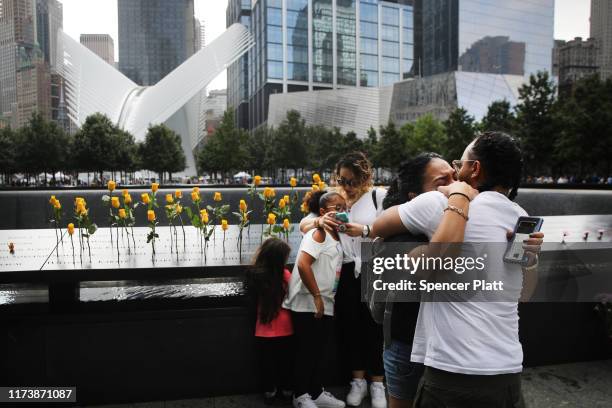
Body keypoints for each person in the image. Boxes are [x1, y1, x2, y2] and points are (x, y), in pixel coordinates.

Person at [371, 131, 544, 408]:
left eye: (460, 164)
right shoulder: (520, 216)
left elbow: (378, 227)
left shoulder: (441, 204)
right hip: (508, 371)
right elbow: (525, 295)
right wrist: (531, 261)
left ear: (475, 169)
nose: (456, 173)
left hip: (452, 371)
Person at [300, 152, 388, 408]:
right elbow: (304, 223)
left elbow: (393, 227)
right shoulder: (334, 198)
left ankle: (378, 384)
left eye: (352, 181)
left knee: (376, 327)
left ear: (365, 178)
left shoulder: (377, 197)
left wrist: (364, 231)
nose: (347, 186)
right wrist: (320, 219)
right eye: (342, 180)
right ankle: (358, 381)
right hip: (347, 270)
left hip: (375, 268)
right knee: (351, 327)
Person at [380, 153, 455, 408]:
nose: (454, 186)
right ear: (414, 200)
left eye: (456, 177)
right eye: (441, 182)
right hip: (408, 344)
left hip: (448, 346)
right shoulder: (399, 239)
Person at [284, 192, 347, 408]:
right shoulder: (318, 233)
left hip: (326, 301)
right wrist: (317, 296)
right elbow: (302, 264)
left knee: (319, 349)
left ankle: (315, 391)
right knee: (307, 350)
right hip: (308, 302)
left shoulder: (337, 234)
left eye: (344, 207)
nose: (341, 211)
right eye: (336, 207)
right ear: (322, 212)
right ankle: (300, 395)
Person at [248, 238, 294, 405]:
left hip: (263, 330)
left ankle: (269, 391)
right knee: (286, 363)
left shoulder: (255, 277)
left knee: (267, 365)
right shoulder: (286, 275)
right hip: (287, 328)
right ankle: (287, 390)